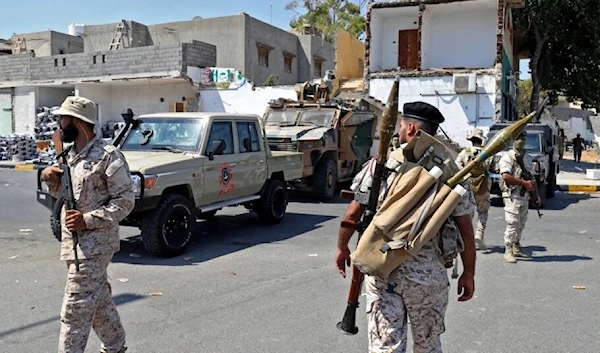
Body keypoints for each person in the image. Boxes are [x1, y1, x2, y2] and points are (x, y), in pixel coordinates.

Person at [335, 101, 476, 353]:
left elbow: (352, 215)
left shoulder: (382, 165)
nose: (399, 130)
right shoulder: (452, 173)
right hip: (427, 276)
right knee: (428, 346)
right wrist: (468, 273)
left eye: (401, 125)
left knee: (386, 346)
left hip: (382, 269)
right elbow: (466, 231)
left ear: (410, 128)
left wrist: (341, 248)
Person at [40, 96, 135, 353]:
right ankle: (116, 347)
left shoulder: (108, 156)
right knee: (99, 305)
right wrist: (49, 178)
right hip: (75, 246)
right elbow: (65, 194)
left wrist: (87, 220)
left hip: (94, 248)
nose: (59, 124)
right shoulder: (69, 156)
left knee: (74, 312)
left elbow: (125, 201)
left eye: (63, 118)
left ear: (78, 121)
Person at [498, 131, 540, 263]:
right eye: (518, 139)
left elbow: (532, 178)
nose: (521, 141)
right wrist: (523, 183)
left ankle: (516, 246)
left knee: (521, 223)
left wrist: (536, 195)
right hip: (512, 194)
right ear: (513, 141)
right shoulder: (508, 157)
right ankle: (508, 249)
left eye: (523, 138)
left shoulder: (527, 157)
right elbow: (506, 177)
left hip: (524, 195)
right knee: (513, 222)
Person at [455, 129, 491, 251]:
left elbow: (457, 167)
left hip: (467, 186)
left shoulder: (464, 153)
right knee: (483, 212)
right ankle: (479, 235)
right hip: (483, 186)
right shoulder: (488, 153)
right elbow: (494, 168)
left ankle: (466, 237)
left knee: (467, 212)